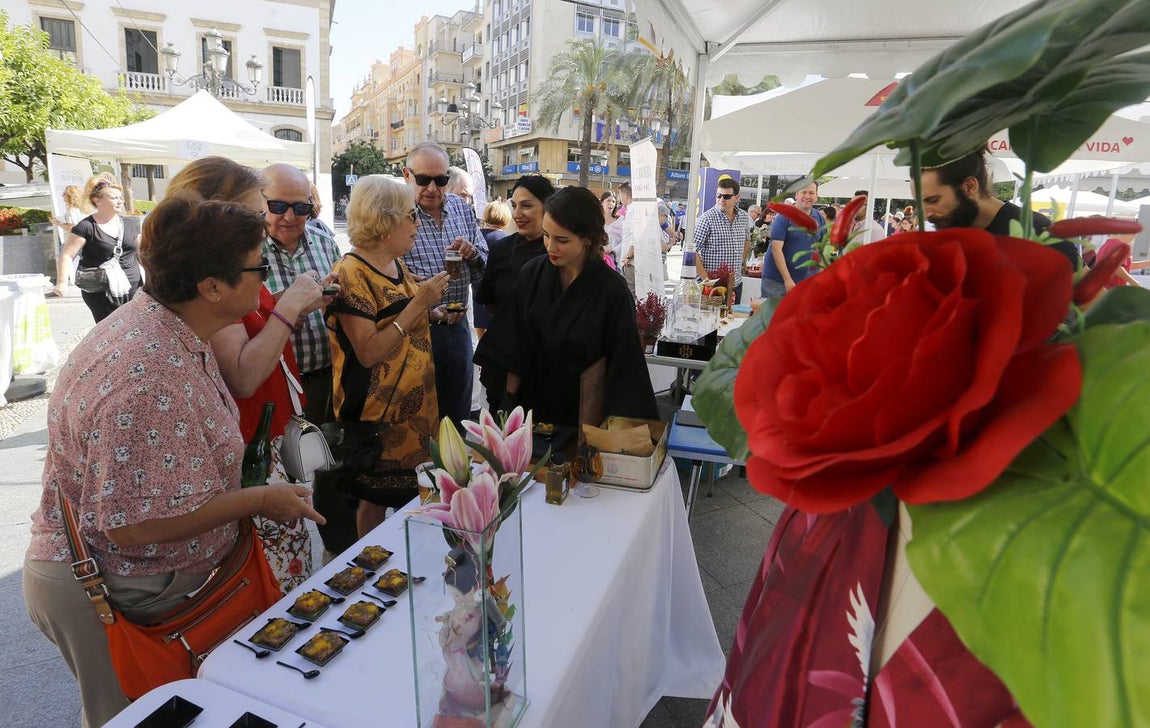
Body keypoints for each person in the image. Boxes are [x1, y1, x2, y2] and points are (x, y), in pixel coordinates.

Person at [23, 195, 324, 728]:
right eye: (257, 267)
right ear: (211, 287)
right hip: (115, 590)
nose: (266, 278)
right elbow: (133, 527)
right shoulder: (148, 375)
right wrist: (259, 500)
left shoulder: (168, 325)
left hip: (138, 583)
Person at [166, 156, 331, 591]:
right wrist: (290, 307)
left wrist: (282, 304)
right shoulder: (212, 281)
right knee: (272, 580)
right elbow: (241, 373)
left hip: (263, 439)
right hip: (246, 453)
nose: (267, 226)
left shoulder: (218, 275)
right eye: (260, 214)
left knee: (284, 564)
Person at [326, 175, 449, 536]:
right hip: (377, 418)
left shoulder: (395, 264)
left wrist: (436, 312)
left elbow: (401, 311)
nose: (417, 222)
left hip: (416, 414)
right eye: (410, 215)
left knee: (415, 496)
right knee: (373, 500)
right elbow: (367, 352)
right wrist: (420, 305)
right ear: (384, 223)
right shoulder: (349, 274)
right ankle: (371, 570)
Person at [482, 186, 658, 428]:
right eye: (546, 235)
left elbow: (625, 367)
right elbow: (513, 344)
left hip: (585, 415)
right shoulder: (531, 274)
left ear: (588, 238)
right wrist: (508, 402)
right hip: (530, 409)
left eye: (562, 240)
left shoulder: (611, 289)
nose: (550, 247)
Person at [401, 142, 488, 426]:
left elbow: (484, 261)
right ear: (407, 175)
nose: (432, 188)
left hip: (458, 327)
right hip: (415, 331)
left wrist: (472, 253)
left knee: (457, 418)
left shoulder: (461, 209)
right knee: (419, 420)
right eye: (423, 179)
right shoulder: (397, 214)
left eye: (440, 180)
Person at [261, 163, 344, 425]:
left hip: (325, 380)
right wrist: (283, 307)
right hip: (271, 383)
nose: (288, 217)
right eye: (277, 207)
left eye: (300, 208)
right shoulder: (244, 250)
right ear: (259, 202)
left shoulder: (326, 245)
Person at [473, 175, 556, 412]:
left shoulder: (558, 254)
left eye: (527, 205)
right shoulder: (501, 249)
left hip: (546, 371)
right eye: (515, 205)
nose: (518, 213)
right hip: (502, 365)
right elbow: (488, 303)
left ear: (548, 206)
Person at [917, 149, 1080, 270]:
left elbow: (1094, 304)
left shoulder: (1038, 232)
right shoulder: (956, 235)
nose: (927, 214)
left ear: (969, 187)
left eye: (933, 200)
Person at [55, 180, 143, 322]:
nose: (120, 201)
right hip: (101, 290)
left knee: (137, 328)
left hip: (133, 286)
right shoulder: (86, 227)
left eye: (121, 198)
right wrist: (62, 282)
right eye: (114, 198)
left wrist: (155, 277)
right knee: (110, 332)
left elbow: (141, 253)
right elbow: (67, 255)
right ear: (98, 201)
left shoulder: (130, 224)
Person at [762, 181, 825, 297]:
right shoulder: (784, 216)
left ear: (816, 196)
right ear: (796, 195)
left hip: (805, 283)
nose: (807, 196)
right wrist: (787, 279)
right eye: (803, 192)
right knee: (774, 314)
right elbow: (776, 249)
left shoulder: (819, 218)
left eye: (811, 193)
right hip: (778, 282)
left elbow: (824, 248)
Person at [695, 177, 753, 299]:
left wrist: (740, 261)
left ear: (737, 198)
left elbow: (747, 239)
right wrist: (707, 280)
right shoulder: (706, 219)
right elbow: (691, 251)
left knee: (733, 318)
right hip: (712, 286)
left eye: (726, 197)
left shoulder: (743, 217)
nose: (721, 199)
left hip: (735, 283)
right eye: (718, 196)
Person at [475, 200, 513, 335]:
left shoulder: (477, 235)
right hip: (497, 292)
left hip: (478, 286)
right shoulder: (508, 240)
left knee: (479, 322)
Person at [51, 184, 87, 255]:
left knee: (67, 264)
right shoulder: (82, 210)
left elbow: (71, 228)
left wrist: (57, 223)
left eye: (64, 193)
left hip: (71, 244)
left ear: (70, 195)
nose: (62, 195)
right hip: (82, 242)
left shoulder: (71, 210)